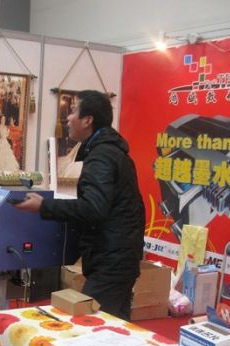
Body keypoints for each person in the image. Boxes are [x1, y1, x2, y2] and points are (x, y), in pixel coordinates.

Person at [14, 90, 145, 321]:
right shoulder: (109, 152)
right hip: (119, 256)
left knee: (95, 324)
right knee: (116, 324)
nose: (67, 118)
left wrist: (44, 206)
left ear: (87, 120)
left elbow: (93, 208)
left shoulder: (102, 156)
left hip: (112, 261)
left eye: (73, 111)